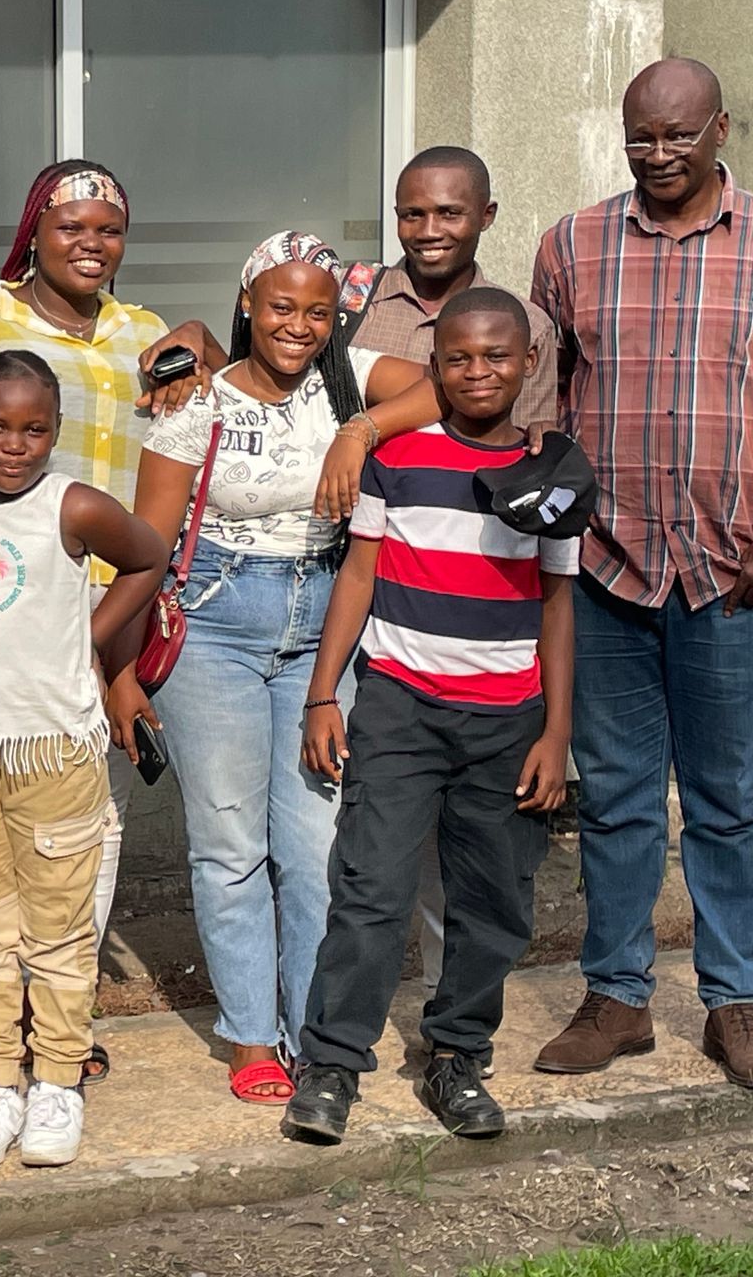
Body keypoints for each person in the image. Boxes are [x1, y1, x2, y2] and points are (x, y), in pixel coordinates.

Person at [109, 231, 434, 1104]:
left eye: (317, 312)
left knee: (315, 846)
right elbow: (146, 549)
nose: (298, 326)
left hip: (324, 625)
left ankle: (314, 1035)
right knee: (229, 845)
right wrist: (120, 670)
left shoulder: (350, 377)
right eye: (280, 306)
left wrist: (361, 429)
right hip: (215, 622)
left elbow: (446, 383)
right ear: (247, 303)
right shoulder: (196, 401)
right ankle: (251, 1033)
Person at [282, 289, 576, 1146]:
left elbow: (558, 605)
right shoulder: (399, 456)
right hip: (401, 710)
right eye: (458, 358)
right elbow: (359, 575)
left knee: (492, 904)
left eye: (497, 356)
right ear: (434, 365)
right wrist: (323, 693)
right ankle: (333, 1062)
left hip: (508, 721)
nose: (478, 372)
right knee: (370, 891)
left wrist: (557, 733)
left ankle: (457, 1055)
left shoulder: (555, 474)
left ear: (528, 362)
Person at [0, 159, 214, 1083]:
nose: (91, 244)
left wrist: (199, 336)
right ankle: (7, 1012)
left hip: (120, 608)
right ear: (34, 233)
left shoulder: (144, 335)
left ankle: (60, 1011)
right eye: (71, 227)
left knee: (90, 825)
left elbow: (225, 380)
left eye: (109, 229)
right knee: (8, 825)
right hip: (17, 612)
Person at [529, 57, 753, 1087]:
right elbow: (545, 399)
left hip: (729, 573)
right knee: (616, 798)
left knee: (729, 800)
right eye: (640, 137)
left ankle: (734, 1000)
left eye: (678, 135)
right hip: (607, 566)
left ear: (721, 131)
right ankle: (617, 999)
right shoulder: (572, 244)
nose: (658, 154)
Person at [0, 350, 167, 1169]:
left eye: (35, 430)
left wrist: (88, 635)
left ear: (56, 432)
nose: (14, 446)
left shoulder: (76, 506)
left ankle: (57, 1081)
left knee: (58, 932)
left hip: (53, 749)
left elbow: (148, 556)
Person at [359, 145, 561, 1015]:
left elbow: (523, 456)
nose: (429, 229)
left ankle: (450, 1022)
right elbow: (271, 344)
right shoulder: (359, 303)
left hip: (478, 608)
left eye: (449, 212)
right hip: (367, 584)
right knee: (368, 848)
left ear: (486, 216)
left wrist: (366, 424)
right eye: (413, 213)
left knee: (467, 864)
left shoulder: (525, 325)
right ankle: (343, 1022)